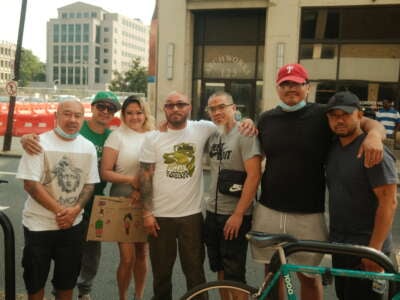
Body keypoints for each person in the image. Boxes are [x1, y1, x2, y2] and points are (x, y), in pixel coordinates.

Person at [251, 63, 386, 300]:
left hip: (308, 213)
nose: (291, 88)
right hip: (269, 208)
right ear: (277, 88)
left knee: (309, 276)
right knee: (272, 273)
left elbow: (365, 122)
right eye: (285, 84)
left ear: (307, 87)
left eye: (296, 83)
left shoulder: (324, 115)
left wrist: (375, 135)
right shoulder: (266, 119)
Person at [20, 91, 121, 300]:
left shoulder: (90, 146)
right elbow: (31, 185)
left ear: (82, 118)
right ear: (56, 116)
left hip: (74, 225)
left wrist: (75, 211)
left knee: (67, 281)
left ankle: (84, 292)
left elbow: (89, 184)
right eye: (67, 114)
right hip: (39, 225)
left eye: (77, 115)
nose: (72, 120)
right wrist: (61, 211)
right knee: (35, 281)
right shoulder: (38, 143)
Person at [325, 91, 397, 300]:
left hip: (367, 250)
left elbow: (389, 202)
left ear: (359, 116)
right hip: (341, 245)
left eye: (345, 114)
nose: (339, 120)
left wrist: (373, 251)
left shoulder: (372, 150)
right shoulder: (335, 147)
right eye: (334, 115)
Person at [203, 91, 262, 296]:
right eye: (212, 108)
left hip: (235, 215)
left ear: (234, 108)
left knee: (235, 275)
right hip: (212, 213)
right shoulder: (213, 136)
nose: (217, 112)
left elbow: (254, 176)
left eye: (222, 107)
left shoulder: (245, 134)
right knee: (220, 269)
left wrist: (238, 215)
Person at [101, 95, 155, 300]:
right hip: (122, 199)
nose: (135, 117)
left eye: (139, 112)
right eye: (130, 113)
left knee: (142, 254)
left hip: (146, 199)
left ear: (145, 113)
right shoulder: (116, 136)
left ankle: (138, 296)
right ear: (123, 114)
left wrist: (142, 188)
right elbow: (105, 172)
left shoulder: (154, 135)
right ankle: (122, 296)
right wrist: (132, 180)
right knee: (127, 257)